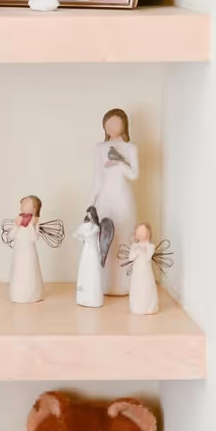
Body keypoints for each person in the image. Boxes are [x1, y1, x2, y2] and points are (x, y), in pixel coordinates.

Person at [93, 108, 139, 295]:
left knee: (124, 237)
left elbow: (134, 175)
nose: (112, 126)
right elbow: (97, 179)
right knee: (104, 239)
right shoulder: (100, 148)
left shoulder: (131, 148)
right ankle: (104, 284)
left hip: (122, 197)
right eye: (109, 122)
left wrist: (120, 161)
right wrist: (91, 204)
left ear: (124, 125)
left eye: (116, 122)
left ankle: (124, 285)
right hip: (105, 198)